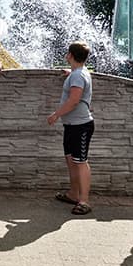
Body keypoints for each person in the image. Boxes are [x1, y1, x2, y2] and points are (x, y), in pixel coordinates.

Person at [46, 42, 94, 215]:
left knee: (80, 162)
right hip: (72, 125)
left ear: (71, 55)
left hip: (80, 125)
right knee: (71, 159)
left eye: (68, 53)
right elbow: (77, 82)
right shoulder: (78, 73)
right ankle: (74, 194)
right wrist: (70, 74)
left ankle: (84, 201)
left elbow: (74, 100)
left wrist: (56, 114)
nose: (66, 55)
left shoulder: (78, 76)